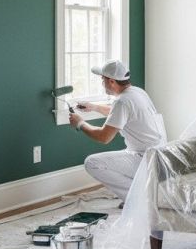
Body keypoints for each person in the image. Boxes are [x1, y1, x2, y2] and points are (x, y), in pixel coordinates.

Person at [68, 59, 166, 209]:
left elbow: (104, 137)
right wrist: (93, 107)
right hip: (159, 156)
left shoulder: (122, 101)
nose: (102, 83)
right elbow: (120, 113)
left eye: (103, 79)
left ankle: (138, 200)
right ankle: (141, 193)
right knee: (116, 159)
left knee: (92, 163)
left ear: (112, 82)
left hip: (145, 158)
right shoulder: (137, 92)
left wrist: (80, 123)